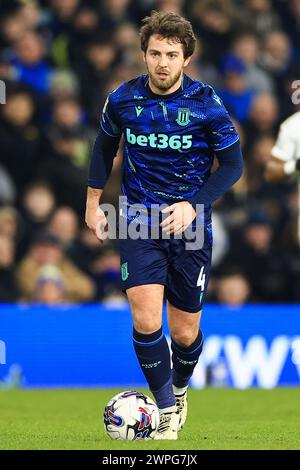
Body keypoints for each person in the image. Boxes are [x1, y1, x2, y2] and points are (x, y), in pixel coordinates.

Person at [85, 11, 243, 440]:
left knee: (185, 330)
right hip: (137, 218)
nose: (162, 62)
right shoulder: (122, 99)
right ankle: (166, 412)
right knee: (144, 315)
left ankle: (180, 386)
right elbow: (104, 147)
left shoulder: (207, 104)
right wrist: (93, 201)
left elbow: (233, 165)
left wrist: (195, 205)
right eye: (155, 53)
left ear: (186, 59)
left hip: (188, 225)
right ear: (143, 54)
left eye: (171, 54)